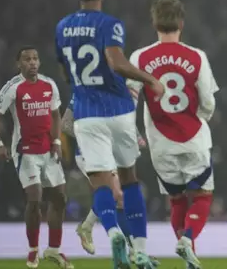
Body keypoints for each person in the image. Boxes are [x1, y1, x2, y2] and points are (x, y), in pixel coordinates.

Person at [55, 0, 165, 269]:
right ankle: (140, 251)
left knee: (102, 186)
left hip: (87, 115)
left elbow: (66, 71)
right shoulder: (110, 24)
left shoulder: (62, 27)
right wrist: (148, 78)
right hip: (118, 111)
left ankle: (114, 232)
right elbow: (116, 63)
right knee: (129, 182)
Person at [126, 0, 218, 269]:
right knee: (202, 196)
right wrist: (198, 119)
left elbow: (130, 99)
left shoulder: (140, 57)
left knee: (176, 200)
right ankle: (188, 240)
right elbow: (209, 102)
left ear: (154, 22)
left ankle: (187, 252)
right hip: (194, 139)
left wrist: (134, 132)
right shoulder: (196, 56)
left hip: (160, 144)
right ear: (181, 22)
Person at [0, 46, 72, 269]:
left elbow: (55, 115)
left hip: (48, 150)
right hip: (25, 151)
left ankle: (53, 250)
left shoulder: (49, 84)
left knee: (60, 199)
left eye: (35, 59)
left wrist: (56, 142)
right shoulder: (13, 87)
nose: (32, 62)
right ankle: (33, 250)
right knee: (35, 198)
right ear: (19, 64)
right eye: (27, 59)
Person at [61, 98, 160, 268]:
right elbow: (65, 123)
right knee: (118, 194)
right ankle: (134, 250)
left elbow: (123, 118)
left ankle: (90, 228)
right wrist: (87, 135)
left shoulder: (117, 89)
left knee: (119, 200)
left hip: (111, 152)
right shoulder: (82, 92)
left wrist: (136, 135)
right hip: (88, 152)